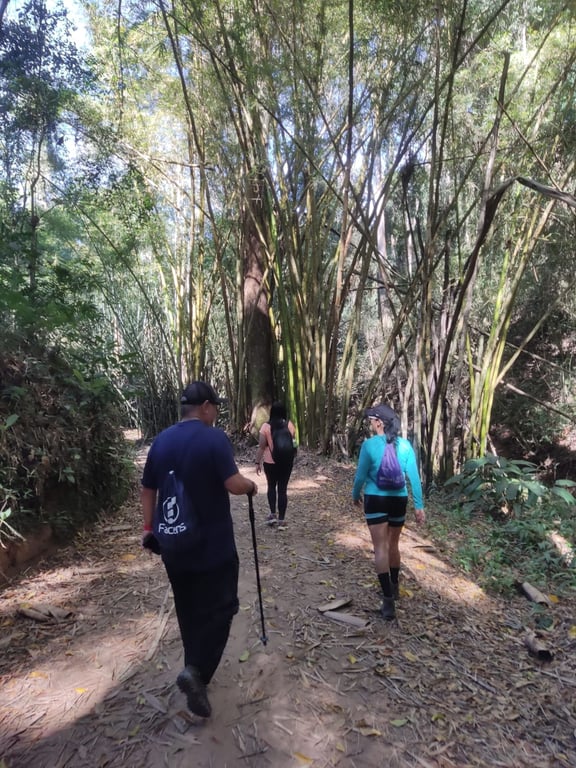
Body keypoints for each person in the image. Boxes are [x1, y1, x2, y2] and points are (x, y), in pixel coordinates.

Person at [140, 381, 257, 718]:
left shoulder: (161, 441)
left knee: (188, 608)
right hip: (213, 547)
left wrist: (148, 529)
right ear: (205, 406)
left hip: (173, 544)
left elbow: (147, 490)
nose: (216, 412)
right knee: (223, 607)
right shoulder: (213, 438)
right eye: (215, 406)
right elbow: (233, 484)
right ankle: (198, 671)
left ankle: (193, 667)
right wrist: (251, 485)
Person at [351, 403, 425, 620]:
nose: (370, 424)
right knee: (393, 545)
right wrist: (419, 506)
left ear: (379, 423)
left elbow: (360, 476)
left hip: (375, 499)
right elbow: (414, 478)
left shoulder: (369, 446)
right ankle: (394, 586)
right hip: (398, 500)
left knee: (380, 548)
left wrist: (355, 495)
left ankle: (388, 601)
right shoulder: (405, 446)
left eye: (372, 421)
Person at [254, 401, 296, 530]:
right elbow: (292, 443)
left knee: (271, 487)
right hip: (286, 462)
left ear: (271, 412)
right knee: (282, 490)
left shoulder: (266, 427)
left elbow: (261, 447)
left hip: (270, 462)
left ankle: (272, 515)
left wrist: (257, 462)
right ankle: (282, 520)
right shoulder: (289, 425)